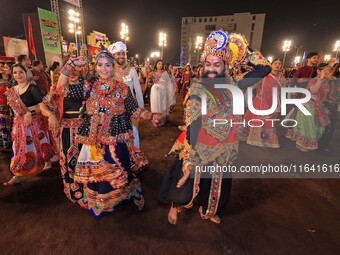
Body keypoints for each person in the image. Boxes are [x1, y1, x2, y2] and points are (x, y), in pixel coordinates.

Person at [159, 30, 271, 224]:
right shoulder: (197, 90)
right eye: (208, 64)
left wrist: (242, 50)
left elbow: (264, 69)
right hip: (200, 143)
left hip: (225, 146)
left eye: (217, 64)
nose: (211, 69)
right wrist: (190, 160)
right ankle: (176, 205)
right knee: (186, 178)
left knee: (217, 183)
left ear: (225, 66)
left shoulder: (235, 84)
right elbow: (193, 127)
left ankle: (208, 208)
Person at [61, 52, 151, 217]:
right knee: (96, 175)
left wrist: (151, 116)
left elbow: (134, 109)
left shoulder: (122, 88)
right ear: (95, 67)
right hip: (93, 138)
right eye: (100, 65)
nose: (104, 68)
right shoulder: (89, 87)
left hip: (115, 138)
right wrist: (71, 65)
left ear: (113, 66)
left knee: (119, 167)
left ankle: (119, 197)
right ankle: (100, 201)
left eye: (107, 65)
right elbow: (61, 88)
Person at [40, 61, 86, 206]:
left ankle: (90, 188)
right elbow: (43, 104)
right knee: (69, 157)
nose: (72, 72)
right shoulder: (59, 88)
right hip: (67, 129)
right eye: (69, 69)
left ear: (82, 70)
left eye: (76, 69)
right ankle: (74, 188)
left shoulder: (88, 87)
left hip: (86, 129)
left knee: (87, 158)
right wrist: (50, 115)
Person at [3, 64, 55, 185]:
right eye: (15, 72)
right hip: (19, 124)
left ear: (26, 73)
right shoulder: (12, 90)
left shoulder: (33, 88)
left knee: (41, 144)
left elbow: (40, 106)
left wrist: (29, 113)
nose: (18, 75)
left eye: (21, 72)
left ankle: (47, 161)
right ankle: (16, 174)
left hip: (34, 123)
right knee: (18, 149)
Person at [286, 63, 332, 151]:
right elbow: (314, 90)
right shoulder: (315, 80)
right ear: (318, 71)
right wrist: (321, 79)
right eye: (325, 70)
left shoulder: (327, 81)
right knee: (309, 128)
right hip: (308, 106)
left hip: (319, 107)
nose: (328, 72)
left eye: (329, 70)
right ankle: (303, 144)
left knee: (320, 128)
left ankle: (306, 143)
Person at [241, 58, 285, 148]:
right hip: (260, 102)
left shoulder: (282, 78)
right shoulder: (264, 76)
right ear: (271, 65)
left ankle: (267, 139)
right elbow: (253, 85)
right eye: (275, 63)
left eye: (279, 63)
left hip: (273, 102)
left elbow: (281, 92)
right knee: (260, 121)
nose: (277, 65)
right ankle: (256, 139)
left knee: (269, 122)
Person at [108, 41, 144, 148]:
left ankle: (135, 158)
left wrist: (140, 109)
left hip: (130, 109)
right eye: (118, 53)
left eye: (123, 53)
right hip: (113, 110)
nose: (121, 56)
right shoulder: (108, 71)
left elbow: (137, 91)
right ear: (113, 55)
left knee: (134, 133)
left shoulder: (131, 71)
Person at [146, 60, 171, 127]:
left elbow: (169, 82)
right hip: (155, 90)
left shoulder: (165, 73)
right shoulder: (152, 73)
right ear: (156, 65)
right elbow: (147, 77)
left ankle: (162, 119)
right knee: (156, 104)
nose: (160, 65)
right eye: (159, 64)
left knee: (163, 103)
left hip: (163, 90)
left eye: (161, 64)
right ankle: (156, 120)